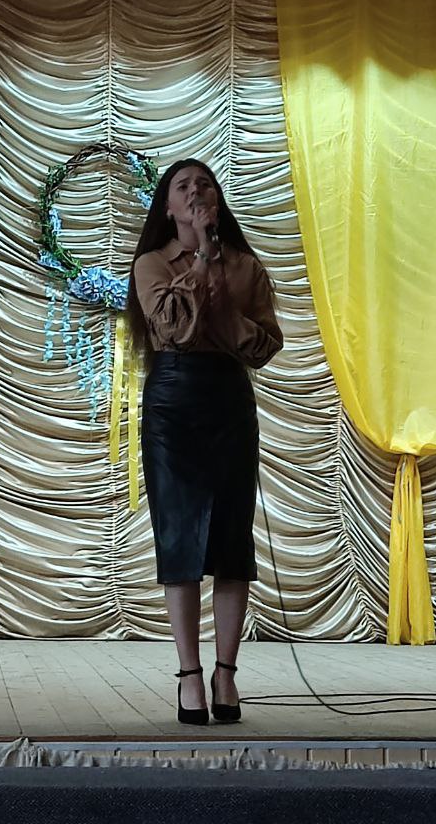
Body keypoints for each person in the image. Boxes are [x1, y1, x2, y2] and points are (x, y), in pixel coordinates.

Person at [126, 158, 284, 726]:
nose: (196, 192)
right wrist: (199, 264)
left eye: (205, 184)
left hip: (229, 402)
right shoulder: (150, 263)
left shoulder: (246, 265)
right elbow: (171, 328)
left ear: (218, 200)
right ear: (169, 208)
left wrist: (223, 292)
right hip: (173, 404)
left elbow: (265, 345)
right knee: (180, 540)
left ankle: (226, 673)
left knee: (231, 542)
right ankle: (189, 675)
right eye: (183, 187)